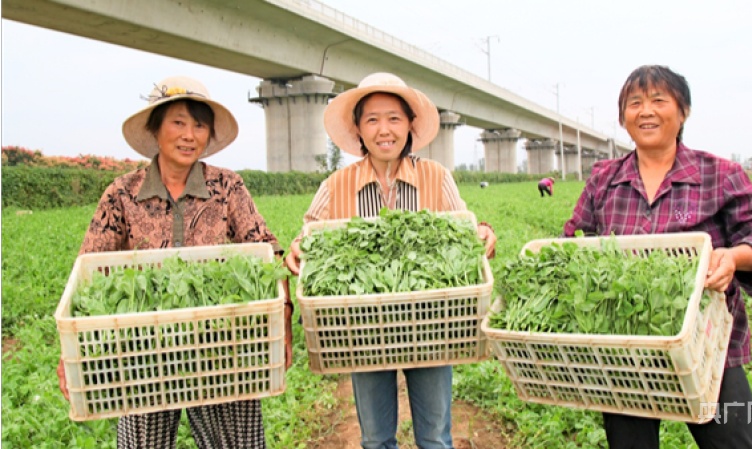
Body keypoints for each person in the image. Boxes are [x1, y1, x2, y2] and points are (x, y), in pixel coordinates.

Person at [56, 76, 294, 449]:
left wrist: (284, 320)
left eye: (199, 125)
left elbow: (267, 250)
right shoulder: (122, 193)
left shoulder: (227, 187)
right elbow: (88, 272)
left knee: (237, 444)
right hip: (141, 352)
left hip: (222, 348)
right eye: (178, 122)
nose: (189, 135)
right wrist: (70, 352)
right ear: (156, 128)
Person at [563, 65, 752, 449]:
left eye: (658, 100)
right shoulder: (604, 179)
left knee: (738, 441)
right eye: (634, 103)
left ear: (682, 112)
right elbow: (574, 242)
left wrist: (733, 257)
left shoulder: (718, 173)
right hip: (625, 349)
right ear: (623, 118)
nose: (645, 111)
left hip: (708, 348)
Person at [285, 72, 497, 449]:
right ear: (358, 129)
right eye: (372, 119)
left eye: (394, 118)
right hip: (362, 332)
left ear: (410, 125)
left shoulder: (437, 177)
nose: (385, 129)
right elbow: (308, 236)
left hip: (433, 326)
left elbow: (465, 230)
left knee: (434, 438)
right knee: (375, 439)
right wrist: (298, 250)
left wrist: (483, 232)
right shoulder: (336, 185)